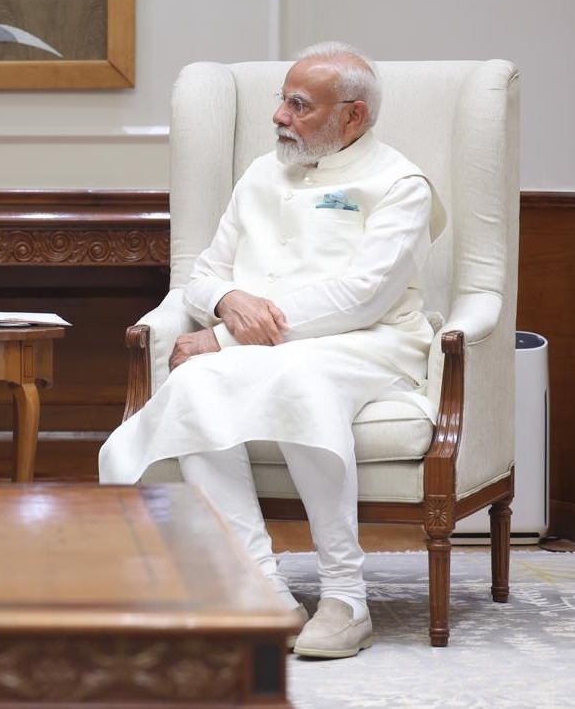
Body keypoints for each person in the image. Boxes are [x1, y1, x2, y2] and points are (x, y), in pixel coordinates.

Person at [98, 42, 446, 659]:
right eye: (282, 100)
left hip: (368, 343)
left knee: (296, 377)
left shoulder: (401, 184)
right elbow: (203, 274)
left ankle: (346, 597)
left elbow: (362, 297)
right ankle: (260, 583)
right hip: (264, 347)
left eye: (299, 105)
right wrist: (227, 298)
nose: (280, 116)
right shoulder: (262, 172)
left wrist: (222, 336)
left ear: (353, 116)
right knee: (193, 384)